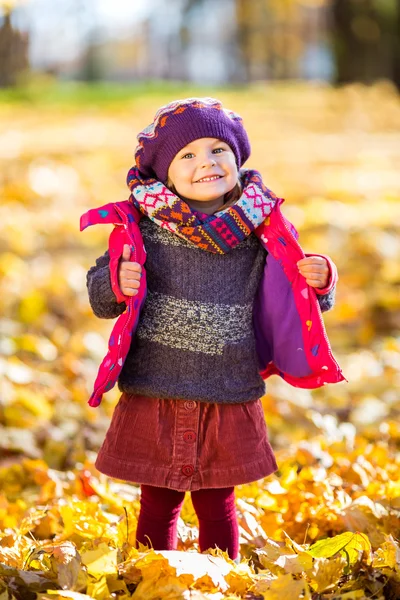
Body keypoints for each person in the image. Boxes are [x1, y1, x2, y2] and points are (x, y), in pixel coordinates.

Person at [82, 97, 344, 563]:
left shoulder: (261, 227)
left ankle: (220, 579)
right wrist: (114, 283)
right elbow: (100, 293)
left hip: (227, 389)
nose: (206, 162)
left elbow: (293, 289)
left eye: (218, 149)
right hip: (156, 387)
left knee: (217, 504)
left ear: (238, 159)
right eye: (187, 155)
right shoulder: (141, 226)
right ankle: (153, 578)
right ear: (164, 172)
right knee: (157, 502)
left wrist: (321, 279)